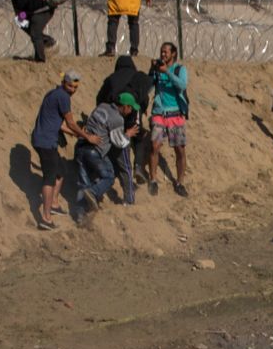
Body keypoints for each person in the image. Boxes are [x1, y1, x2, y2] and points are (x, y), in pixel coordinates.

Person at [31, 70, 97, 229]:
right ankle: (45, 219)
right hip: (45, 142)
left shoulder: (54, 94)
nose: (72, 90)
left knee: (61, 171)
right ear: (64, 83)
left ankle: (53, 203)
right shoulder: (63, 97)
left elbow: (58, 123)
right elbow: (71, 123)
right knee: (49, 178)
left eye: (75, 87)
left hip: (45, 140)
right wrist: (87, 137)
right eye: (70, 86)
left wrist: (77, 134)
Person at [73, 92, 138, 223]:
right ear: (125, 106)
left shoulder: (102, 106)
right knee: (108, 176)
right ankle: (93, 192)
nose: (130, 111)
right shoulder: (117, 119)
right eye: (130, 108)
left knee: (83, 183)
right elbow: (119, 142)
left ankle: (80, 216)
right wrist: (128, 134)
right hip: (94, 151)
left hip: (80, 146)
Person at [95, 55, 150, 204]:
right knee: (137, 138)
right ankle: (138, 166)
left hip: (114, 115)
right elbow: (144, 97)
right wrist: (142, 108)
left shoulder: (111, 78)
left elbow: (100, 98)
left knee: (116, 142)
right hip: (131, 113)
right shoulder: (136, 76)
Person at [146, 42, 189, 196]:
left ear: (173, 53)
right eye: (161, 52)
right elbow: (148, 88)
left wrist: (168, 73)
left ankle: (179, 182)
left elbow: (182, 85)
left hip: (175, 115)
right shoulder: (157, 70)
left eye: (165, 52)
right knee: (155, 146)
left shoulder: (179, 69)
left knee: (179, 150)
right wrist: (153, 70)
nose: (163, 55)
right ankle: (153, 180)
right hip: (159, 113)